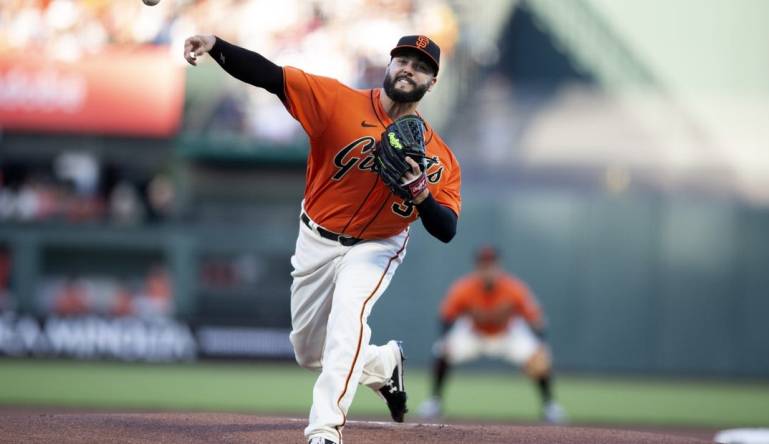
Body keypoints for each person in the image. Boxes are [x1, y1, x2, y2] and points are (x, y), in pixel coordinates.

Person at [183, 34, 461, 444]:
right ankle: (384, 365)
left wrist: (421, 193)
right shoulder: (337, 101)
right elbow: (271, 77)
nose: (408, 69)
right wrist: (216, 45)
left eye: (420, 66)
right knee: (309, 351)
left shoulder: (440, 158)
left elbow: (447, 229)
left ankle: (325, 429)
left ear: (432, 82)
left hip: (378, 246)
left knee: (349, 316)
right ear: (388, 65)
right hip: (316, 236)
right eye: (402, 60)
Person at [417, 246, 567, 424]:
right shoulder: (464, 287)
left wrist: (541, 344)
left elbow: (536, 319)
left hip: (508, 335)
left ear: (499, 267)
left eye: (491, 265)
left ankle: (549, 406)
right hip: (475, 334)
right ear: (477, 268)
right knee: (442, 351)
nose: (487, 270)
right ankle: (434, 402)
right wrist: (445, 340)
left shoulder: (514, 288)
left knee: (539, 357)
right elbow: (446, 317)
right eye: (483, 265)